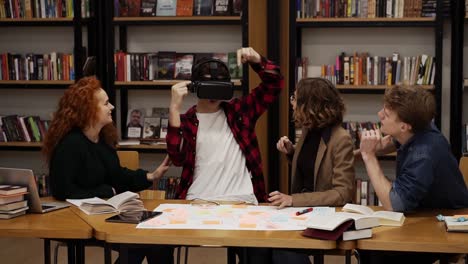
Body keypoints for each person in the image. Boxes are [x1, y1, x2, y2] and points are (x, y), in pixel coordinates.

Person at [167, 47, 283, 263]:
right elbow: (177, 157)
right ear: (196, 86)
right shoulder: (187, 121)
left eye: (219, 86)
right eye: (208, 85)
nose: (213, 95)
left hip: (243, 201)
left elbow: (274, 85)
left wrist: (257, 61)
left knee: (260, 253)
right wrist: (174, 109)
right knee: (159, 243)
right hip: (198, 202)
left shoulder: (240, 112)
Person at [42, 76, 173, 263]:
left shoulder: (103, 139)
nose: (111, 107)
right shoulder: (70, 145)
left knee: (159, 240)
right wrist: (104, 192)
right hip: (79, 219)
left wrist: (151, 175)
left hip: (105, 214)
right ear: (89, 110)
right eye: (106, 103)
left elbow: (118, 175)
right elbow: (63, 190)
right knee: (141, 242)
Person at [358, 85, 468, 263]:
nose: (379, 115)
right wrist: (391, 143)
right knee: (368, 246)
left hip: (444, 221)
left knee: (377, 250)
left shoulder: (423, 154)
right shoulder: (421, 127)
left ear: (404, 126)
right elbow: (404, 138)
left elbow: (394, 205)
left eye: (386, 114)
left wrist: (369, 156)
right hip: (425, 213)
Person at [268, 77, 355, 264]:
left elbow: (343, 193)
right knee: (258, 245)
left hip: (328, 219)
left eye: (295, 98)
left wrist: (293, 200)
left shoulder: (341, 139)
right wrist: (292, 153)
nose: (291, 102)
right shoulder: (309, 130)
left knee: (282, 251)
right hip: (303, 213)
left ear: (310, 105)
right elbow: (313, 169)